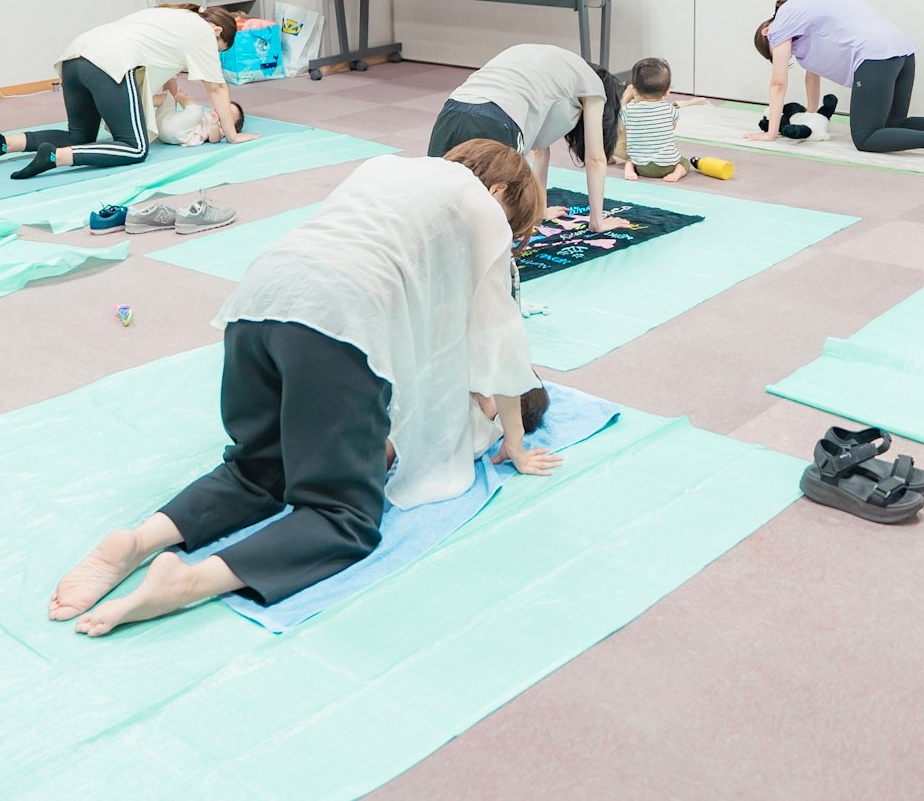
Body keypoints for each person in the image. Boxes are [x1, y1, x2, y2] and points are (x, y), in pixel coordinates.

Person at [46, 140, 559, 637]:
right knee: (345, 516)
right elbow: (498, 345)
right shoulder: (479, 205)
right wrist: (514, 442)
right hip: (338, 318)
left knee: (260, 468)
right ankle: (191, 580)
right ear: (497, 192)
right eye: (514, 229)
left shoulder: (389, 169)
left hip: (258, 299)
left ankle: (139, 540)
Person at [0, 3, 257, 180]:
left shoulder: (170, 18)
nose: (216, 55)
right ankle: (55, 158)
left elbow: (151, 77)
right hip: (109, 63)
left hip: (74, 58)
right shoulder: (202, 31)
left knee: (81, 137)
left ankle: (3, 143)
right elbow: (216, 87)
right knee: (135, 147)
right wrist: (232, 136)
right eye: (221, 50)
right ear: (218, 32)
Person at [745, 0, 924, 164]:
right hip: (903, 52)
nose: (782, 55)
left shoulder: (780, 27)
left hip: (874, 56)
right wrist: (811, 113)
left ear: (767, 31)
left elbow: (778, 84)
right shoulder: (806, 14)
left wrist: (770, 133)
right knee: (891, 125)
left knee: (865, 137)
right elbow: (813, 73)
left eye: (775, 52)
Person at [427, 42, 620, 230]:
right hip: (499, 119)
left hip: (451, 110)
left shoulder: (552, 68)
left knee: (435, 196)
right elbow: (595, 159)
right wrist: (597, 222)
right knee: (494, 213)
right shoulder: (593, 85)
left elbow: (541, 150)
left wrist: (540, 211)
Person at [618, 56, 701, 181]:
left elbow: (619, 125)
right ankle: (677, 174)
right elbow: (673, 127)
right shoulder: (669, 109)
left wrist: (626, 100)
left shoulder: (628, 110)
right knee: (684, 162)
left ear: (634, 89)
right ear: (667, 91)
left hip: (641, 166)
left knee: (630, 159)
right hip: (667, 165)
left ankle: (629, 169)